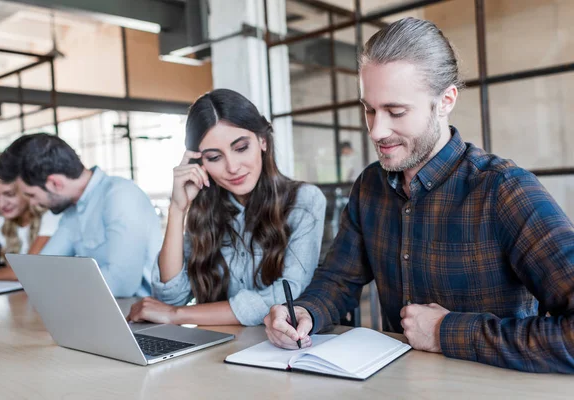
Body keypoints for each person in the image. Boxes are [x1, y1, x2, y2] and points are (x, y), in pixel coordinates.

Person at [264, 17, 574, 373]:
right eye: (369, 109)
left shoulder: (504, 190)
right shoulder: (370, 186)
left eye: (396, 111)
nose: (377, 130)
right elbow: (338, 280)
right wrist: (305, 311)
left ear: (445, 101)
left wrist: (446, 332)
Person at [126, 89, 327, 326]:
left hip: (285, 347)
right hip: (221, 346)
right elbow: (170, 297)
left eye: (241, 148)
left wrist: (177, 315)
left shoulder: (304, 201)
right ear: (199, 162)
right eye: (214, 157)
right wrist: (178, 209)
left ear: (262, 140)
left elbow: (286, 295)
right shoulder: (206, 210)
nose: (232, 167)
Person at [0, 133, 162, 297]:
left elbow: (121, 284)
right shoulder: (73, 210)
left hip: (145, 315)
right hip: (104, 310)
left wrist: (58, 284)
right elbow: (40, 270)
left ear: (55, 183)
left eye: (31, 195)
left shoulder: (120, 195)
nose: (32, 204)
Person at [0, 154, 61, 283]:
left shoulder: (51, 214)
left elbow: (27, 270)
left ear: (27, 189)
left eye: (9, 194)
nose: (2, 204)